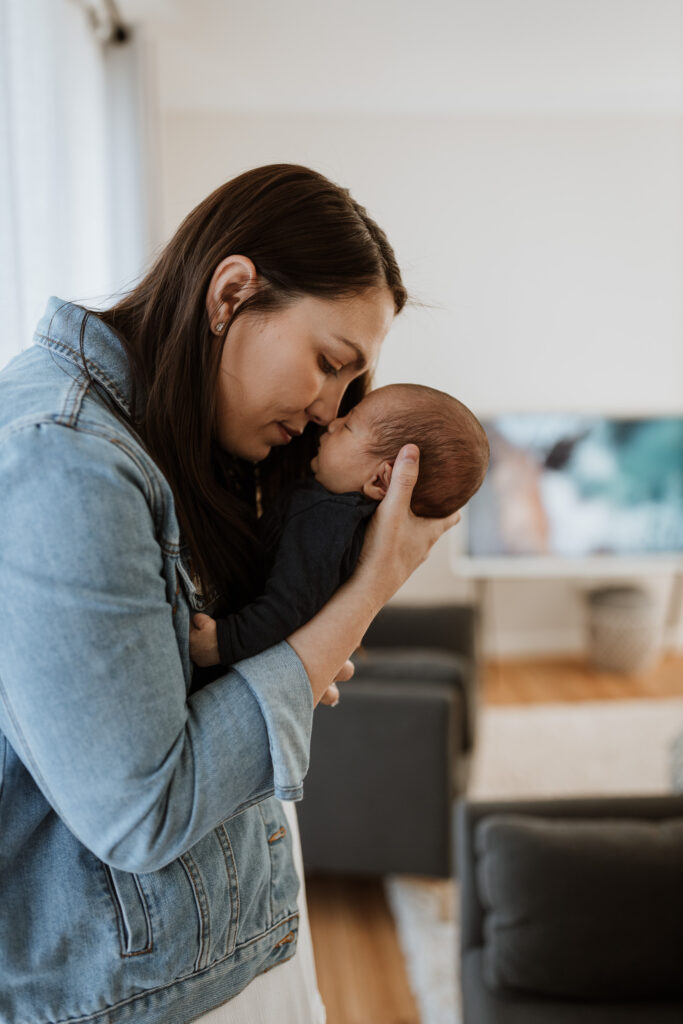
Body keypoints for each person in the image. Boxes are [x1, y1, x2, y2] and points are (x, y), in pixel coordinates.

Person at [0, 165, 460, 1024]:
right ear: (232, 293)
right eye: (329, 364)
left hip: (228, 945)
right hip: (144, 997)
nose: (331, 411)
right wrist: (368, 593)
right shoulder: (64, 461)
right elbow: (145, 813)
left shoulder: (162, 438)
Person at [190, 382, 489, 668]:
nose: (331, 423)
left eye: (347, 426)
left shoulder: (327, 521)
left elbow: (286, 609)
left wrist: (223, 642)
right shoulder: (336, 515)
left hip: (237, 653)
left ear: (379, 480)